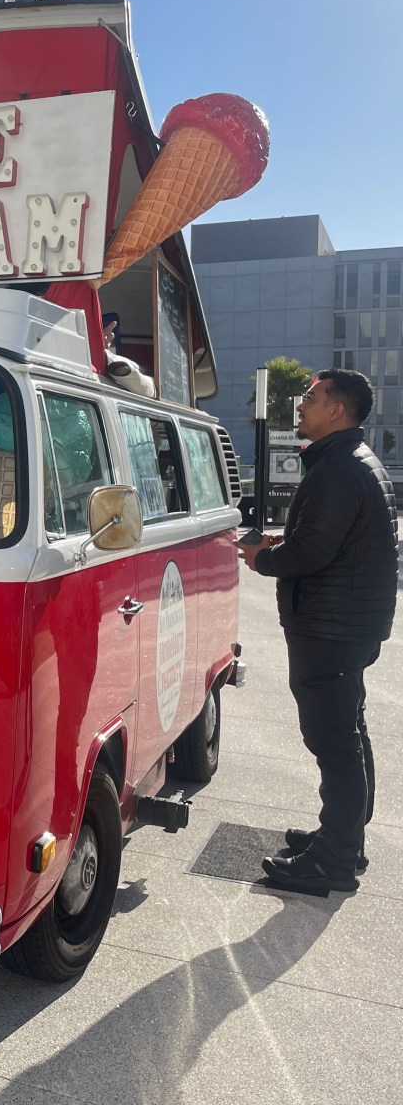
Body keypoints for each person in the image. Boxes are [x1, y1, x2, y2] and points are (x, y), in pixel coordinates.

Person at [236, 369, 397, 892]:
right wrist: (288, 537)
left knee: (333, 740)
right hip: (346, 625)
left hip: (331, 627)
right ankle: (344, 840)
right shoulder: (353, 462)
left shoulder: (337, 470)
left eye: (310, 397)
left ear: (337, 409)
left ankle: (334, 861)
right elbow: (330, 537)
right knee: (348, 732)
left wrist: (262, 557)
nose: (300, 405)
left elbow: (310, 554)